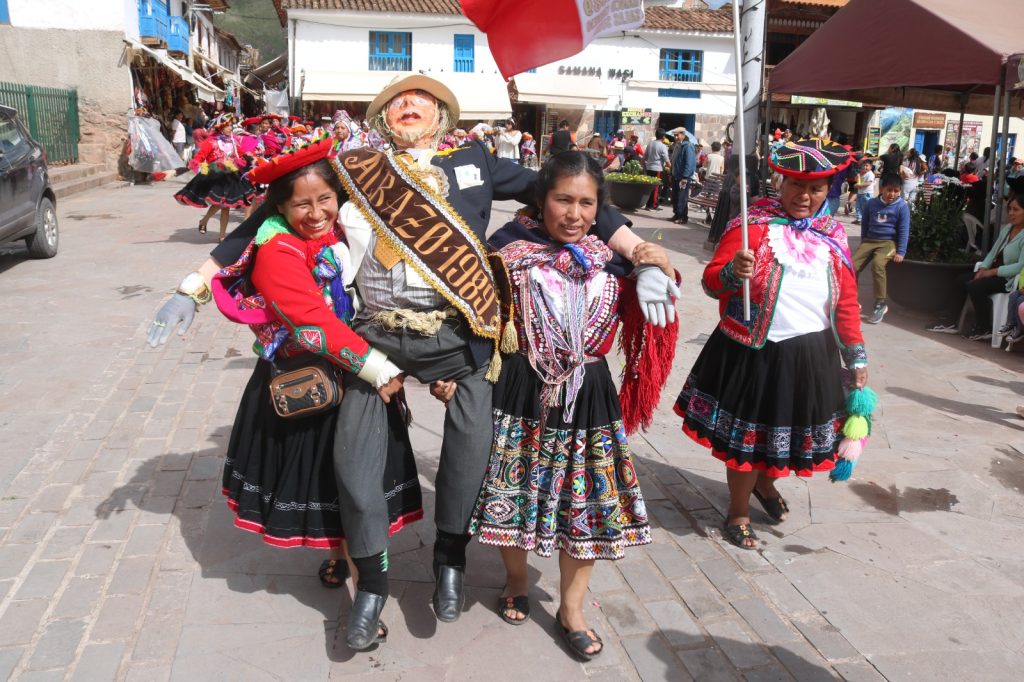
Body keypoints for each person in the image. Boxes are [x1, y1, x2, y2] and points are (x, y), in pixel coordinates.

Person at [147, 73, 676, 650]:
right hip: (377, 338)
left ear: (443, 115)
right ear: (382, 116)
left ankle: (450, 557)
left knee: (472, 451)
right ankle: (371, 584)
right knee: (353, 461)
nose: (410, 106)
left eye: (423, 100)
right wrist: (193, 286)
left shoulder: (475, 160)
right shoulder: (355, 168)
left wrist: (642, 253)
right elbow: (263, 221)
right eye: (399, 101)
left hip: (457, 337)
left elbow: (566, 192)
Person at [463, 152, 676, 661]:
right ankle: (516, 579)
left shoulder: (614, 258)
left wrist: (656, 266)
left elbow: (662, 298)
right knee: (514, 493)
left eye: (586, 203)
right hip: (521, 389)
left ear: (600, 208)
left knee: (586, 505)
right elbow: (473, 313)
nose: (574, 214)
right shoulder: (505, 249)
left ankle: (571, 609)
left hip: (589, 396)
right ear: (541, 198)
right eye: (563, 199)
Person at [211, 136, 422, 597]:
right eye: (301, 204)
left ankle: (347, 564)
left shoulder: (341, 233)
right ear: (281, 208)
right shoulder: (276, 251)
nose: (316, 213)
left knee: (354, 482)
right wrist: (380, 369)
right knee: (334, 482)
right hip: (310, 382)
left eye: (324, 198)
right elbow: (311, 322)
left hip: (356, 375)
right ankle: (359, 582)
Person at [675, 137, 867, 549]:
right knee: (747, 439)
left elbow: (847, 304)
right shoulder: (753, 225)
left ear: (828, 191)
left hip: (810, 354)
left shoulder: (833, 236)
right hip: (754, 350)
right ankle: (738, 511)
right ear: (781, 182)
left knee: (784, 434)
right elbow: (711, 282)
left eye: (815, 188)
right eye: (796, 184)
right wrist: (733, 272)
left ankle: (765, 485)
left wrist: (856, 357)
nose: (804, 195)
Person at [927, 193, 1024, 340]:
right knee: (961, 280)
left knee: (976, 286)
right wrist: (983, 269)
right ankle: (950, 322)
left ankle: (984, 328)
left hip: (1010, 280)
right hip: (995, 272)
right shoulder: (1008, 229)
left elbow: (1020, 267)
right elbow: (993, 252)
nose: (1010, 213)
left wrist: (992, 272)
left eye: (1015, 210)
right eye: (1009, 209)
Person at [174, 113, 256, 241]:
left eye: (231, 125)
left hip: (231, 175)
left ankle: (221, 236)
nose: (230, 128)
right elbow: (201, 155)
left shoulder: (233, 140)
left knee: (225, 206)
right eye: (227, 126)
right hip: (215, 175)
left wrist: (250, 156)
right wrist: (194, 163)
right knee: (220, 204)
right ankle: (205, 220)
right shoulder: (211, 141)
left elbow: (241, 153)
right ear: (220, 127)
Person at [852, 174, 910, 324]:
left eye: (896, 191)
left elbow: (904, 230)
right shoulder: (871, 204)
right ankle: (851, 299)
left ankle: (880, 303)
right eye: (889, 190)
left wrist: (901, 251)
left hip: (888, 243)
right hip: (869, 240)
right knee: (851, 266)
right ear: (882, 188)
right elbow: (865, 224)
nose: (892, 194)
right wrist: (863, 243)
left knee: (878, 265)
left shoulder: (902, 206)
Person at [671, 130, 696, 224]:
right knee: (675, 196)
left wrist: (685, 176)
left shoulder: (688, 146)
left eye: (677, 135)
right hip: (676, 175)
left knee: (682, 197)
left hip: (683, 177)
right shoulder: (678, 145)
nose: (675, 137)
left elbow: (689, 163)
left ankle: (682, 217)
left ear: (682, 135)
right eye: (674, 135)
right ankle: (677, 214)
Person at [643, 127, 670, 210]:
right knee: (656, 188)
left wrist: (644, 167)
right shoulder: (662, 146)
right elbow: (667, 160)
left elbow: (644, 157)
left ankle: (648, 204)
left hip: (649, 168)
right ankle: (653, 205)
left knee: (649, 187)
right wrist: (671, 168)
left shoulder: (650, 144)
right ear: (663, 137)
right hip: (657, 169)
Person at [853, 159, 875, 224]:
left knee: (866, 207)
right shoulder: (861, 173)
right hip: (860, 193)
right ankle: (859, 219)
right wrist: (858, 176)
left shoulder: (870, 174)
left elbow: (868, 183)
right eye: (863, 165)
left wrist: (859, 185)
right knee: (858, 206)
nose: (865, 167)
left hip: (867, 193)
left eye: (867, 166)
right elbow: (856, 180)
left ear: (871, 167)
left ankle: (867, 220)